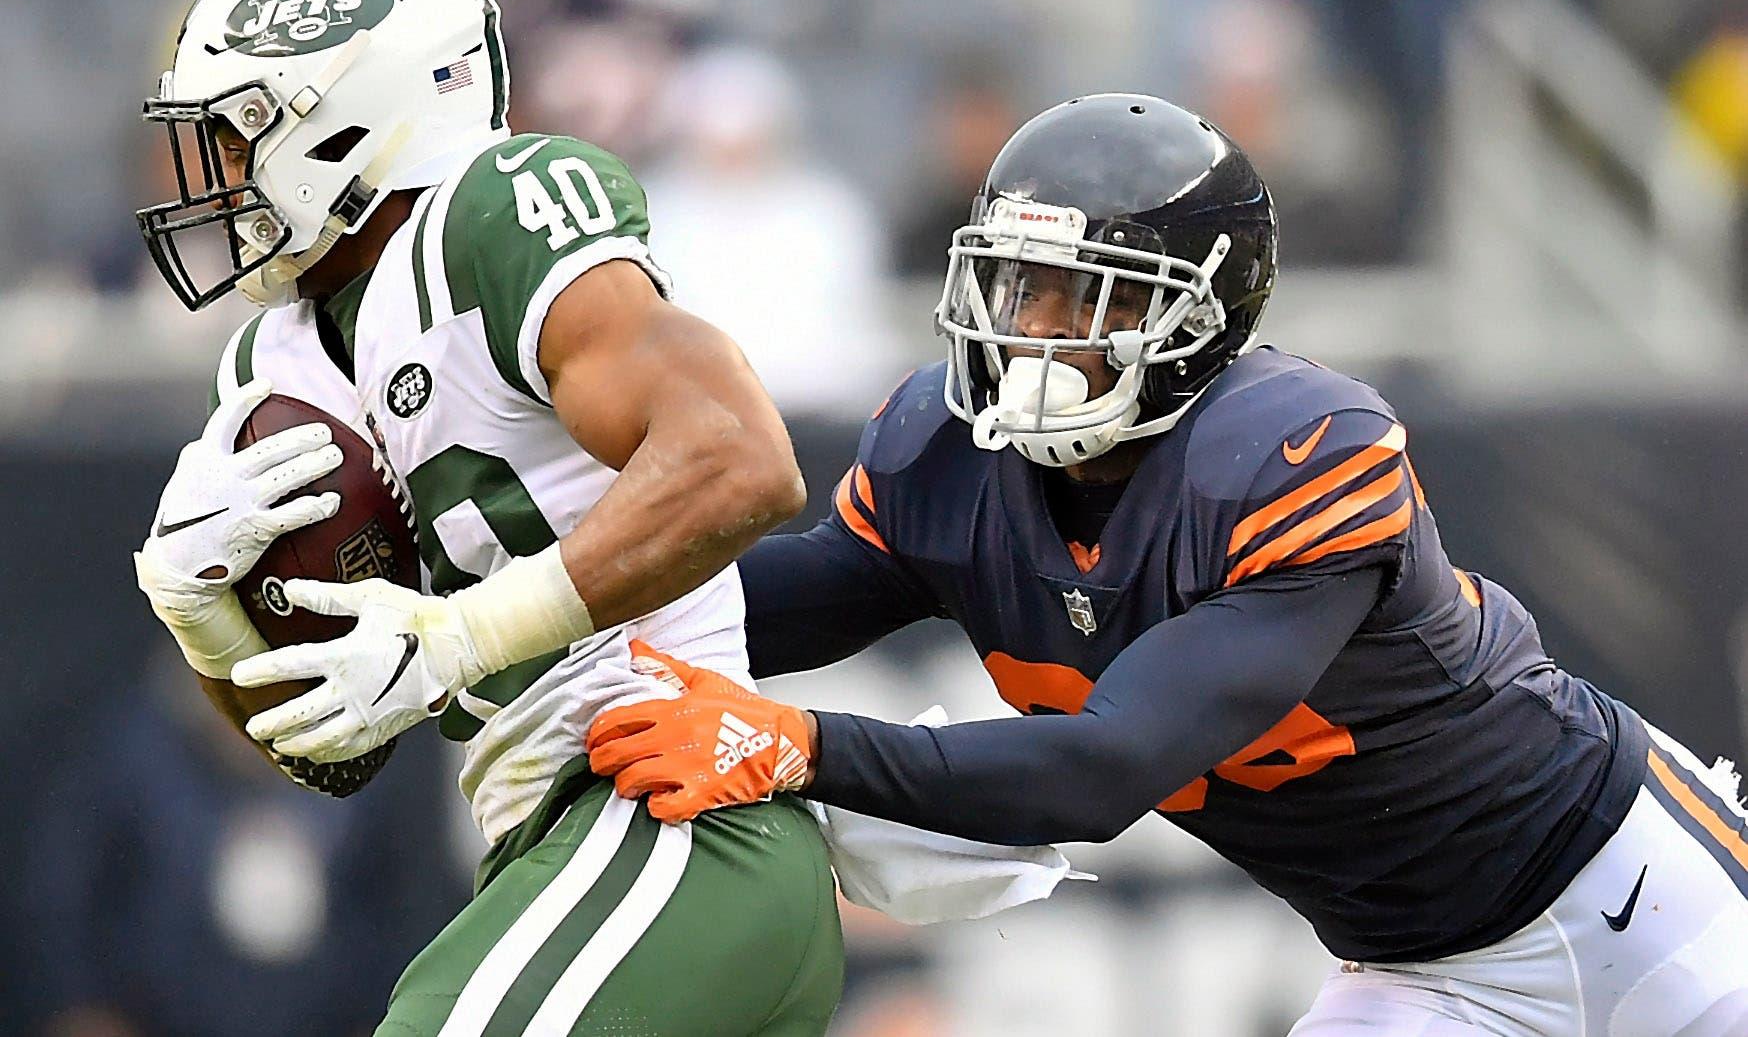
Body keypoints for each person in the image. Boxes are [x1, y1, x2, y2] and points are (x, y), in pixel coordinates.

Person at [587, 94, 1748, 1034]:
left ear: (1194, 314)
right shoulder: (947, 454)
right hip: (1419, 975)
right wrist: (547, 611)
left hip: (1645, 899)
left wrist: (795, 745)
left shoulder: (1288, 453)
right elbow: (772, 602)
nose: (1032, 329)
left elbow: (1103, 770)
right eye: (1014, 285)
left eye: (1078, 295)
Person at [130, 0, 841, 1036]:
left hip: (672, 804)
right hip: (548, 844)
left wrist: (460, 633)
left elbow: (737, 459)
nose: (212, 179)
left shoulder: (490, 212)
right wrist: (206, 623)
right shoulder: (269, 362)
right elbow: (340, 754)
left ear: (346, 123)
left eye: (235, 138)